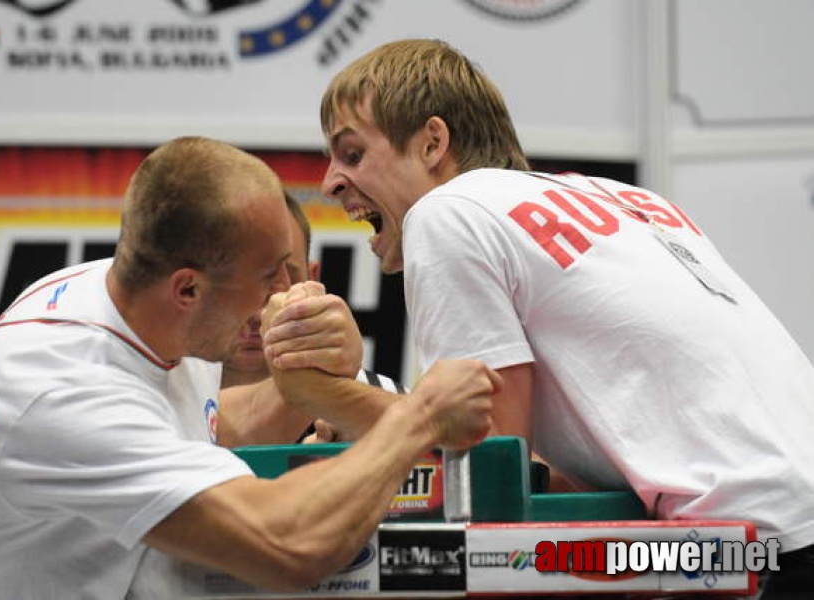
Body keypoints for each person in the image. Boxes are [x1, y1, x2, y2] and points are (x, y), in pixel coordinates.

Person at [306, 38, 814, 598]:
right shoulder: (623, 196)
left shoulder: (446, 213)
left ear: (432, 143)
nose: (330, 182)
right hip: (768, 533)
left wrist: (332, 397)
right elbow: (552, 463)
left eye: (352, 154)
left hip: (760, 547)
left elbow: (492, 468)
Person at [0, 135, 500, 599]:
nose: (285, 293)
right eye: (269, 272)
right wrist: (417, 417)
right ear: (188, 288)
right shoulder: (68, 393)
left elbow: (195, 426)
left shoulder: (110, 297)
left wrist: (312, 387)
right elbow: (289, 545)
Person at [221, 192, 406, 441]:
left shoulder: (389, 402)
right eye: (232, 281)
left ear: (312, 280)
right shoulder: (157, 400)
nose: (258, 312)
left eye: (280, 280)